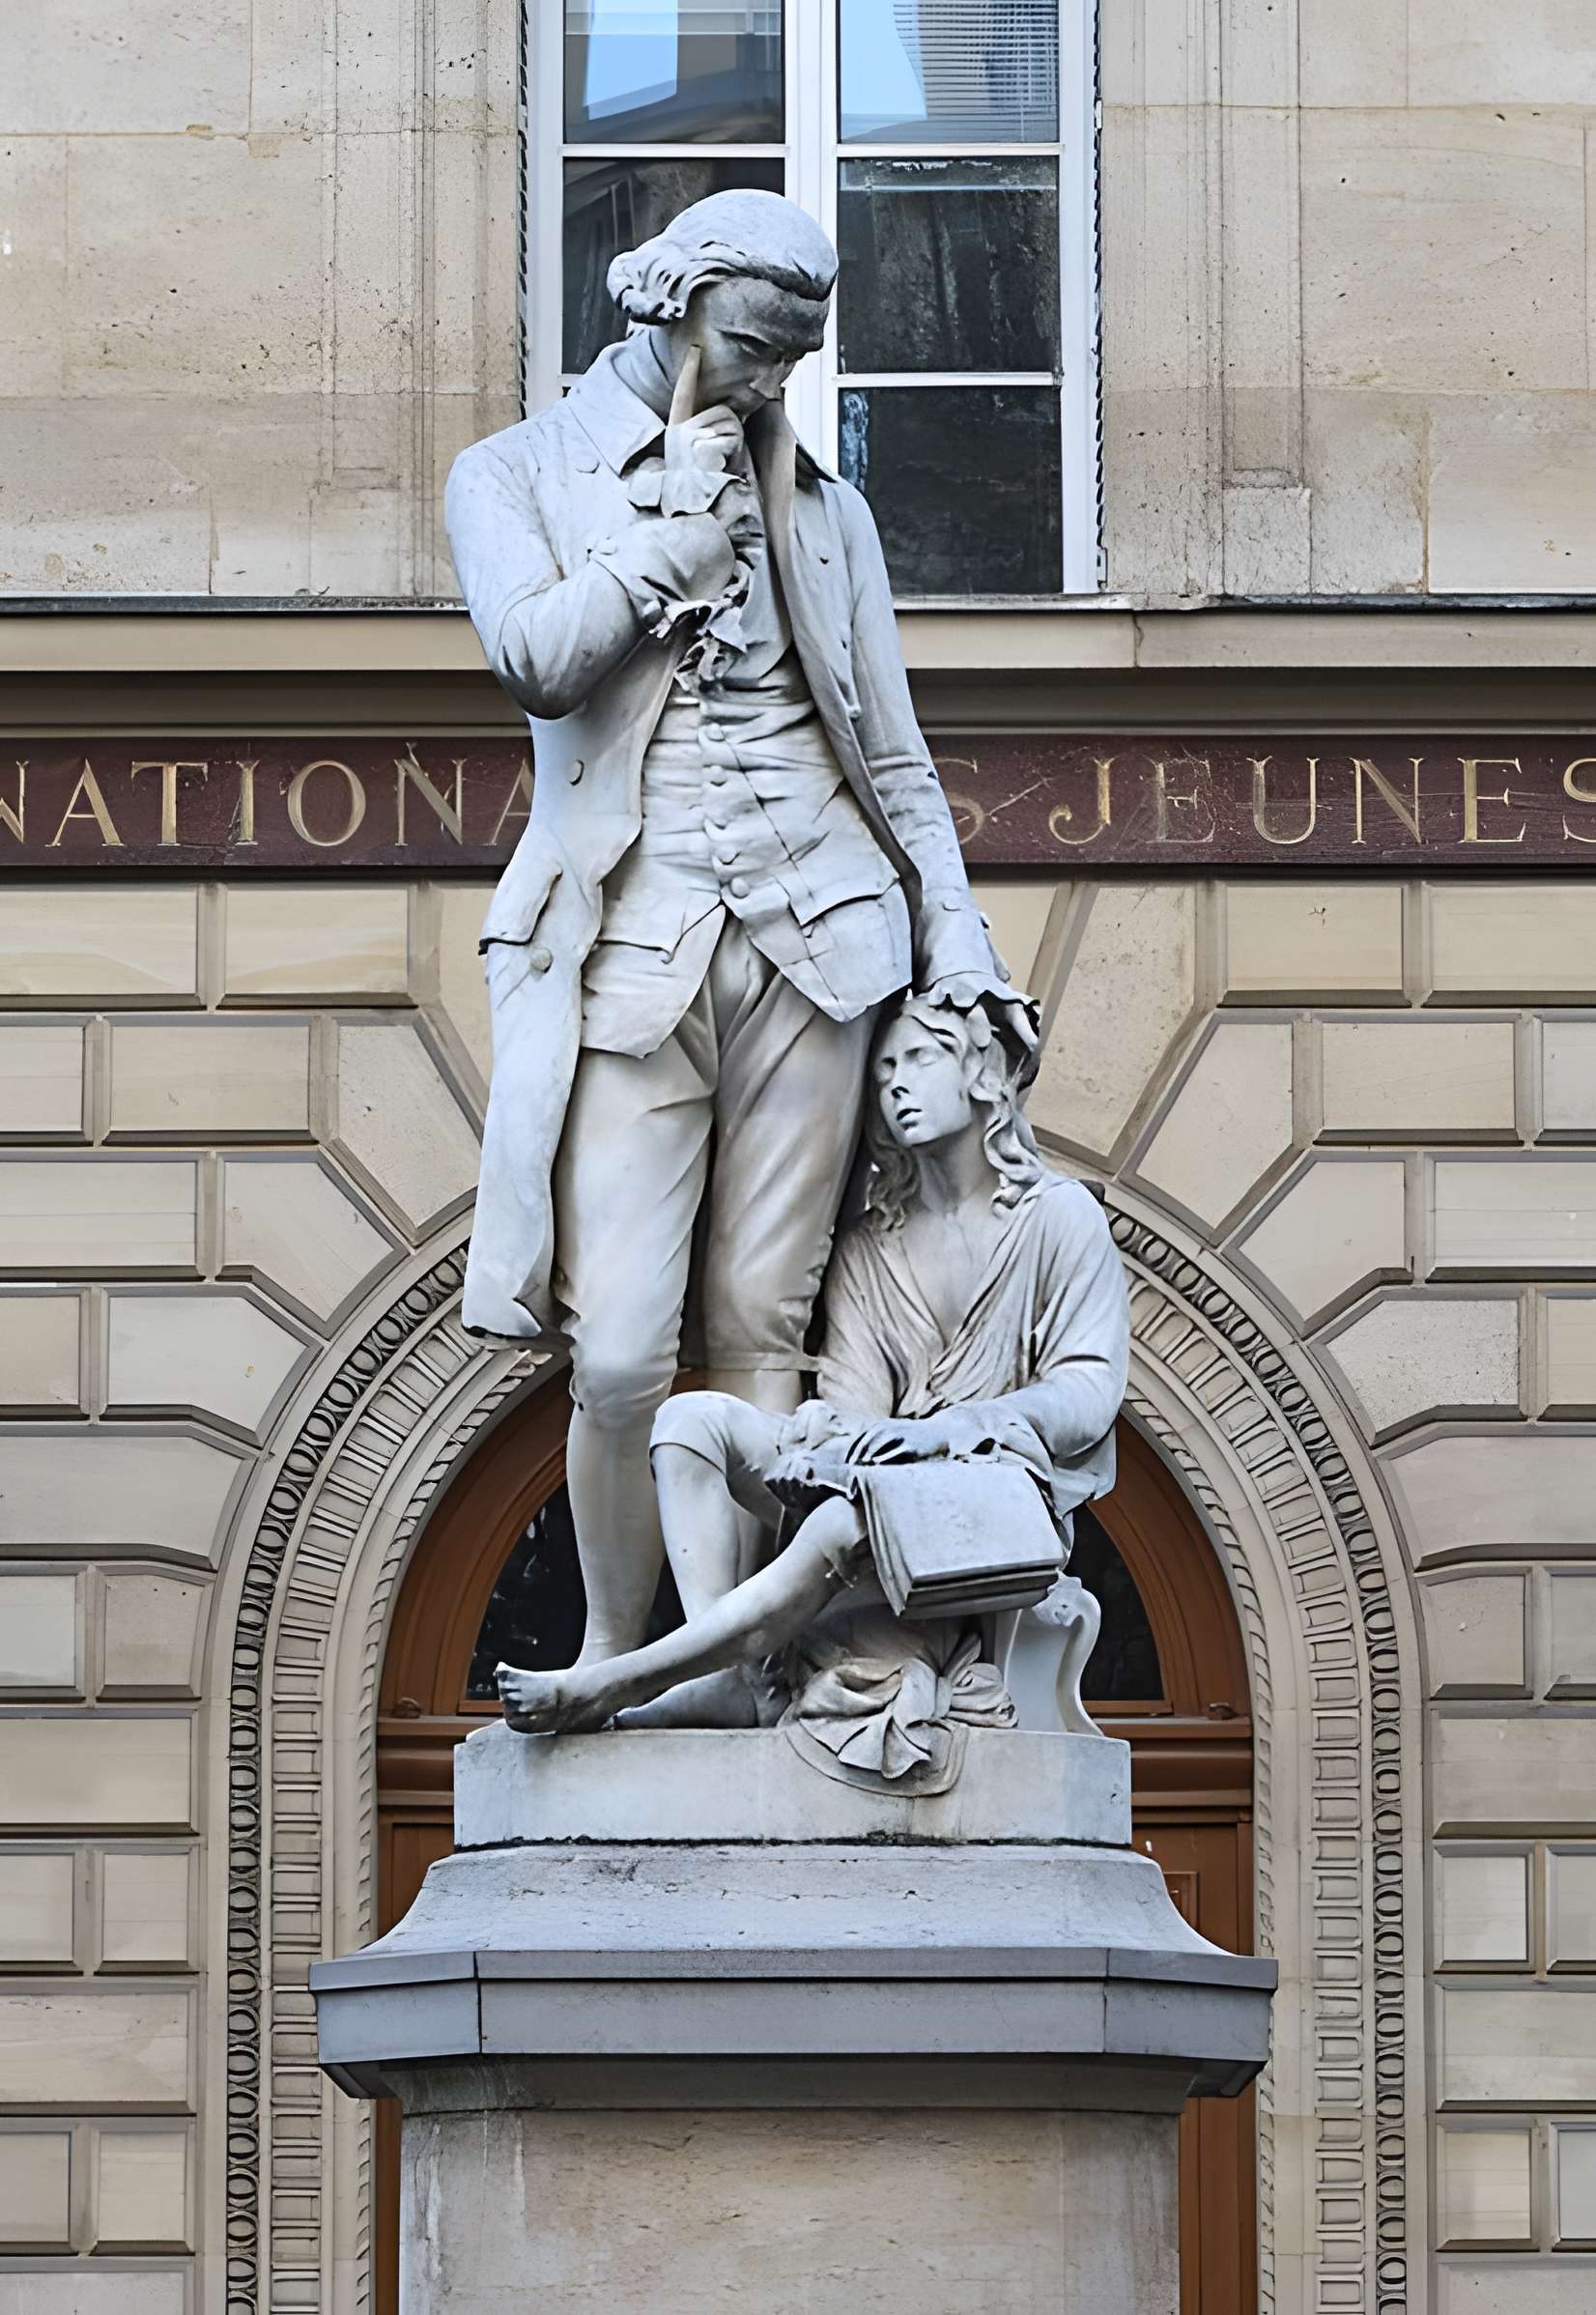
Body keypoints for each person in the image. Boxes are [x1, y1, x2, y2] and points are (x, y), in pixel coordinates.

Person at [447, 189, 1024, 1669]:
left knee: (769, 1326)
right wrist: (677, 546)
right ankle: (613, 1653)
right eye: (754, 346)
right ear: (670, 308)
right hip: (629, 947)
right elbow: (535, 660)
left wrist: (956, 938)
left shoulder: (830, 512)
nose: (773, 380)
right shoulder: (516, 472)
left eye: (794, 357)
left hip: (826, 942)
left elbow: (892, 757)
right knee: (622, 1348)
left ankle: (733, 1666)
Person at [496, 994, 1130, 1789]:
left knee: (838, 1522)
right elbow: (858, 1410)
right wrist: (821, 1447)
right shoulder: (872, 1245)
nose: (896, 1086)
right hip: (889, 1485)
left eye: (919, 1059)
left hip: (996, 1499)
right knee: (692, 1421)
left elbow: (1089, 1390)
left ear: (981, 1073)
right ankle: (726, 1673)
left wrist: (952, 1430)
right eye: (884, 1069)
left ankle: (621, 1681)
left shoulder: (1058, 1219)